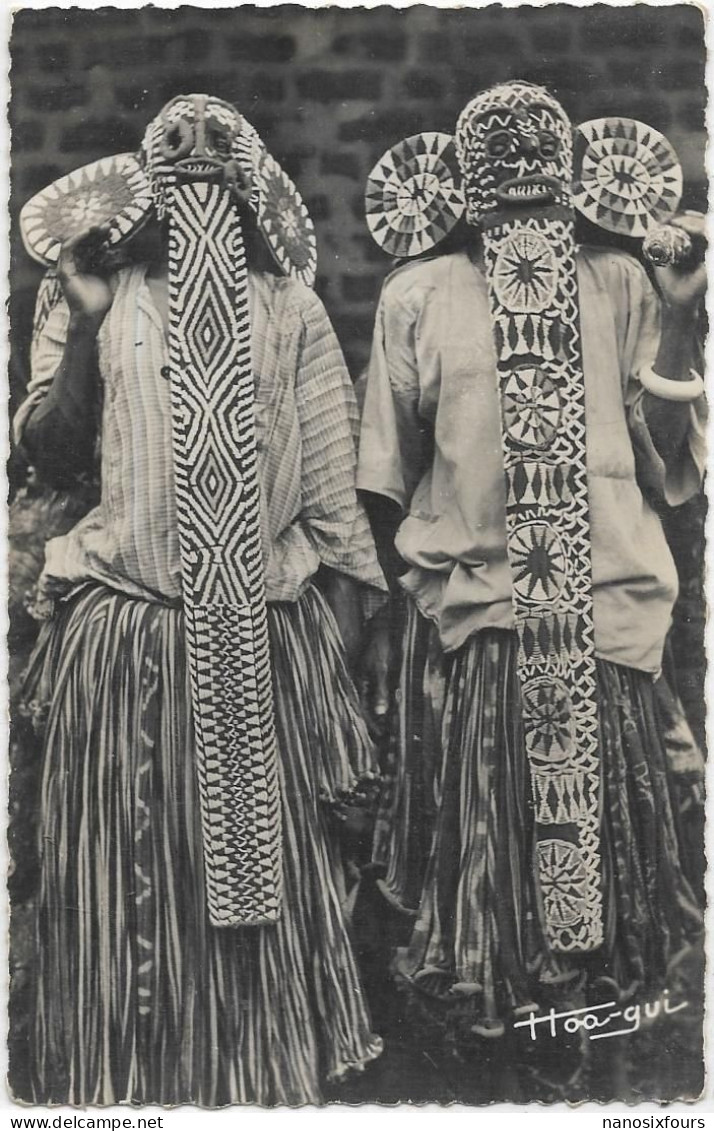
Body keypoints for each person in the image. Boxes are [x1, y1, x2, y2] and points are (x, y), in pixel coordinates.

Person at [14, 94, 386, 1106]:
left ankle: (258, 1084)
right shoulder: (93, 294)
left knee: (276, 881)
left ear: (255, 184)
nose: (197, 175)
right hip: (128, 642)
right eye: (172, 161)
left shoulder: (291, 310)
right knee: (131, 879)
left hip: (266, 641)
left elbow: (328, 496)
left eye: (217, 159)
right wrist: (90, 320)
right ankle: (128, 1086)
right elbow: (49, 455)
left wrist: (337, 676)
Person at [356, 81, 705, 1048]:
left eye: (541, 198)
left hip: (604, 621)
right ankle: (501, 1056)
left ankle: (596, 1050)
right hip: (480, 624)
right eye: (502, 195)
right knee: (488, 883)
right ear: (465, 192)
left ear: (574, 186)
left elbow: (664, 450)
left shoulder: (623, 284)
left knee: (616, 905)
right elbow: (387, 478)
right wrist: (391, 626)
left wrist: (680, 316)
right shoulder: (416, 295)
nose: (525, 218)